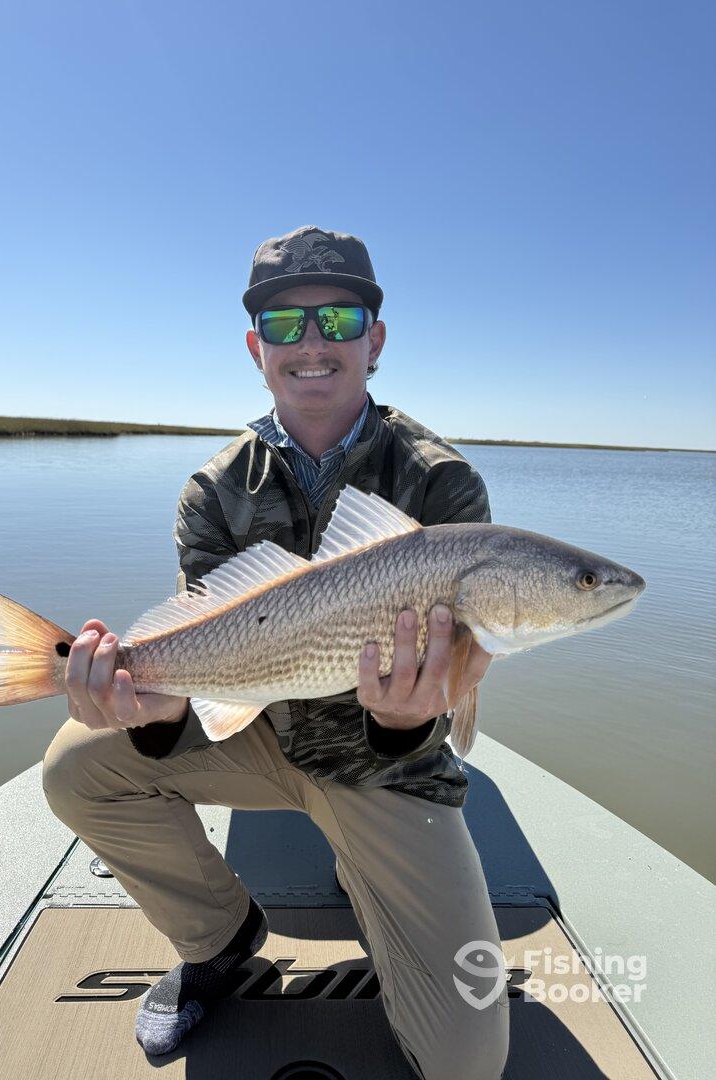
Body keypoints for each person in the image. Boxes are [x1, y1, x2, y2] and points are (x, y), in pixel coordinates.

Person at [42, 225, 510, 1079]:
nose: (314, 343)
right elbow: (213, 664)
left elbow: (443, 699)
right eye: (286, 326)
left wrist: (405, 725)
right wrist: (153, 707)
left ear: (376, 338)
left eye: (338, 317)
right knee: (77, 766)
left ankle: (377, 881)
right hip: (261, 734)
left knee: (467, 1060)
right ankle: (220, 940)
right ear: (257, 349)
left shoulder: (442, 482)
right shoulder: (214, 490)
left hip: (384, 768)